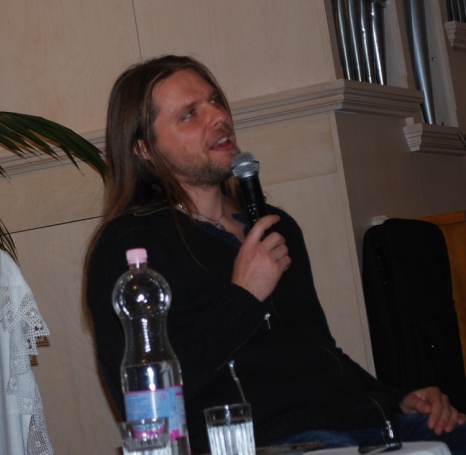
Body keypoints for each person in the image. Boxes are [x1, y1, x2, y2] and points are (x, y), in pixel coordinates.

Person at [85, 55, 466, 454]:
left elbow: (317, 352)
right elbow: (142, 397)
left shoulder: (274, 226)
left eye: (215, 101)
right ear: (144, 148)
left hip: (358, 424)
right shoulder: (130, 246)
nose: (219, 117)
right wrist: (244, 295)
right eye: (190, 114)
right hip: (262, 442)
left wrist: (395, 399)